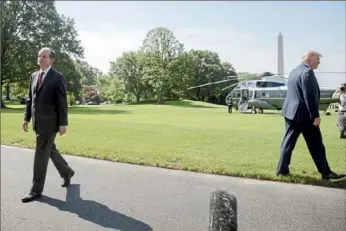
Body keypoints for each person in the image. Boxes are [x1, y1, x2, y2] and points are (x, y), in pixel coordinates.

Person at [277, 49, 345, 180]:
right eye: (317, 59)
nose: (319, 62)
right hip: (304, 116)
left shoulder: (294, 71)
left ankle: (282, 170)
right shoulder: (307, 72)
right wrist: (315, 115)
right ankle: (326, 173)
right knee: (316, 144)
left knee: (287, 142)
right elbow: (308, 96)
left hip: (291, 113)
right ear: (309, 58)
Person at [21, 47, 75, 203]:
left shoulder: (58, 77)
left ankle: (35, 190)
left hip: (50, 123)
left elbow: (62, 102)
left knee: (40, 155)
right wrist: (26, 118)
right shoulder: (33, 76)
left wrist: (63, 123)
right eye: (39, 56)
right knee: (50, 150)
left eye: (44, 56)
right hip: (38, 123)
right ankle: (67, 172)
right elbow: (30, 99)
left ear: (51, 59)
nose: (41, 58)